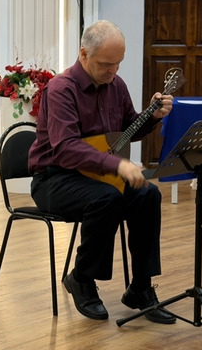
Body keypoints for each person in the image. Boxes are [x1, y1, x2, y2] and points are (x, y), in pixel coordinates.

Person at [27, 20, 175, 324]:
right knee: (107, 199)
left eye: (118, 64)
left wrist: (152, 116)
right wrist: (118, 164)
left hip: (97, 175)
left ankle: (140, 288)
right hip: (55, 178)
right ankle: (81, 278)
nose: (113, 71)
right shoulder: (61, 89)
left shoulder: (115, 86)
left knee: (148, 195)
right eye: (107, 64)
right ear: (84, 54)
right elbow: (66, 148)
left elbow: (127, 129)